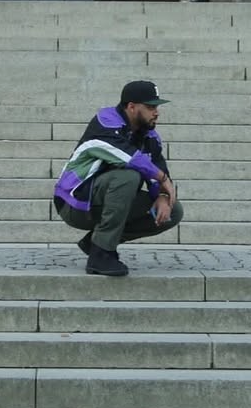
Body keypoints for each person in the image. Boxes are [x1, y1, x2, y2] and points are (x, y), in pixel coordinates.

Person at [53, 80, 184, 277]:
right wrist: (162, 178)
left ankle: (97, 241)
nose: (156, 112)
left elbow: (157, 166)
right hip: (74, 202)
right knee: (127, 176)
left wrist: (164, 194)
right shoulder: (105, 121)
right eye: (150, 107)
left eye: (156, 107)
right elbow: (125, 155)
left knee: (173, 211)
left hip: (106, 202)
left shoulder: (149, 136)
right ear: (131, 107)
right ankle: (102, 254)